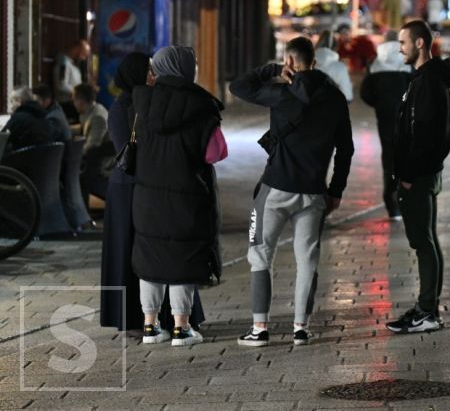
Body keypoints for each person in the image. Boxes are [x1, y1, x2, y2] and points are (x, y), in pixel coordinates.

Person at [230, 36, 353, 347]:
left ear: (289, 62)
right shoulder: (336, 99)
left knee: (260, 254)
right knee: (307, 259)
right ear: (314, 62)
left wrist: (272, 69)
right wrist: (335, 189)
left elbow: (239, 86)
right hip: (313, 193)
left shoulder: (281, 93)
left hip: (274, 189)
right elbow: (346, 150)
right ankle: (301, 327)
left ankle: (260, 328)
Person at [100, 52, 207, 333]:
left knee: (154, 252)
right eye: (148, 70)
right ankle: (139, 317)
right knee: (136, 251)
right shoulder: (124, 106)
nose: (153, 75)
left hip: (146, 186)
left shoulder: (148, 103)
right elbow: (127, 150)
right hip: (129, 189)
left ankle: (158, 318)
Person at [131, 45, 227, 347]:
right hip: (186, 199)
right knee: (181, 260)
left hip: (147, 199)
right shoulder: (201, 107)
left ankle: (150, 326)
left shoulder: (142, 103)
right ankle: (181, 327)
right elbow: (217, 152)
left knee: (151, 259)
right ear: (186, 69)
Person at [386, 19, 450, 334]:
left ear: (419, 44)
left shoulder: (428, 82)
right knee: (427, 241)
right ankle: (426, 308)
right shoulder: (424, 78)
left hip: (419, 175)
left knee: (424, 242)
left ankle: (427, 311)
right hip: (424, 173)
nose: (399, 48)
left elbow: (426, 134)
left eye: (403, 42)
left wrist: (408, 174)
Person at [361, 30, 412, 220]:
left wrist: (380, 104)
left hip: (385, 119)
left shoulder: (375, 64)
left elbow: (365, 93)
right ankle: (405, 199)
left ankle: (392, 204)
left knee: (389, 159)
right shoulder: (406, 62)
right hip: (406, 119)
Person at [1, 87, 54, 152]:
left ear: (19, 101)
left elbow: (2, 139)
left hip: (22, 159)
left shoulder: (18, 117)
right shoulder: (43, 116)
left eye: (12, 102)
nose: (11, 107)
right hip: (43, 159)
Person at [54, 40, 89, 121]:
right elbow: (61, 85)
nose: (84, 57)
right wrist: (78, 92)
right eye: (84, 53)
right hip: (66, 104)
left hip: (75, 103)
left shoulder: (72, 64)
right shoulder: (63, 63)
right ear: (77, 49)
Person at [314, 30, 354, 102]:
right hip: (333, 108)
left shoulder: (308, 64)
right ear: (336, 47)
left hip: (310, 109)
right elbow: (347, 96)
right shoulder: (340, 67)